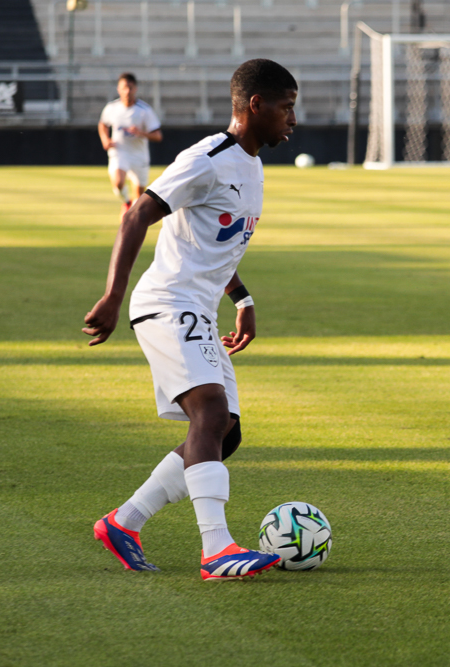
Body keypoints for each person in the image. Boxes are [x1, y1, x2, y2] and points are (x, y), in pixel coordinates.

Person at [84, 59, 298, 581]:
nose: (293, 118)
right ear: (256, 105)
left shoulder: (251, 165)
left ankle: (123, 522)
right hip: (166, 301)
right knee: (209, 409)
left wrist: (241, 298)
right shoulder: (207, 157)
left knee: (226, 432)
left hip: (196, 306)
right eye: (286, 107)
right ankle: (217, 549)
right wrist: (112, 295)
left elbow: (215, 241)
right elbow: (138, 213)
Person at [98, 73, 163, 216]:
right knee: (118, 182)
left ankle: (131, 211)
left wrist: (141, 133)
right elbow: (103, 124)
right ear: (118, 89)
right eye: (124, 88)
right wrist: (105, 139)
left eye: (130, 88)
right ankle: (126, 202)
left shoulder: (144, 110)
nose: (127, 91)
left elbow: (158, 136)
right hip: (119, 151)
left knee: (139, 196)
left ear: (135, 89)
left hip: (139, 155)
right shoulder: (112, 108)